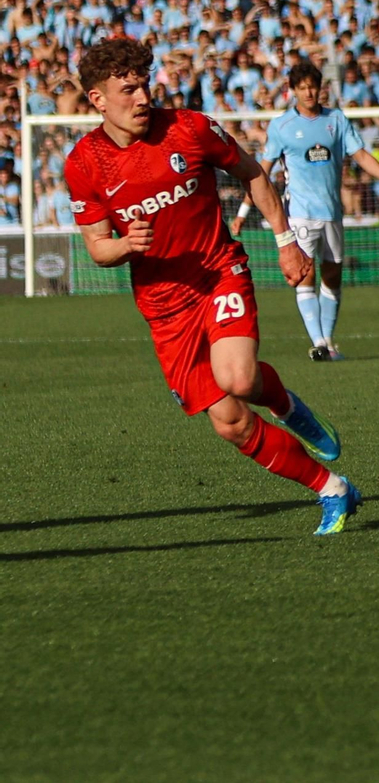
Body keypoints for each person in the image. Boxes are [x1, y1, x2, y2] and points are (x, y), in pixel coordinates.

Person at [61, 38, 358, 536]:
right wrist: (126, 245)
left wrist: (286, 241)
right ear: (97, 99)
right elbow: (97, 247)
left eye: (144, 85)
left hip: (218, 271)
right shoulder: (84, 163)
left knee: (238, 379)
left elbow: (252, 172)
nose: (141, 98)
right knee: (230, 422)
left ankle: (289, 407)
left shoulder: (189, 128)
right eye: (127, 90)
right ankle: (333, 489)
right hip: (163, 307)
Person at [233, 62, 379, 360]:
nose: (308, 92)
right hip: (299, 213)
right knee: (305, 274)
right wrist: (243, 211)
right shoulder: (281, 126)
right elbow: (261, 173)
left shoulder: (336, 120)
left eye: (312, 86)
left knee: (332, 276)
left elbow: (361, 155)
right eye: (301, 88)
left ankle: (327, 342)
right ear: (292, 91)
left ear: (320, 88)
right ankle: (318, 342)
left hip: (332, 212)